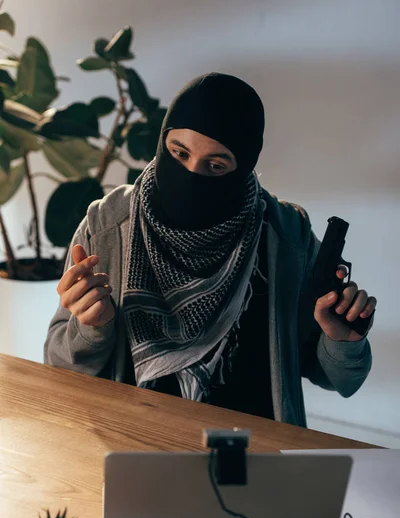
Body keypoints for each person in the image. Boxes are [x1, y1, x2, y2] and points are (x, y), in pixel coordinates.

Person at [44, 72, 376, 426]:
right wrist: (91, 326)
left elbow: (336, 379)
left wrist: (341, 340)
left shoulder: (286, 236)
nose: (191, 174)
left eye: (216, 166)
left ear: (244, 166)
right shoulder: (107, 225)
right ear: (162, 144)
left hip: (253, 454)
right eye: (178, 153)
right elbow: (60, 365)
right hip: (129, 440)